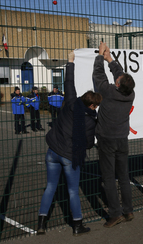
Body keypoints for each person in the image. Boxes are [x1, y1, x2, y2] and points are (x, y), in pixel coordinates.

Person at [37, 51, 102, 236]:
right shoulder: (90, 120)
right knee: (73, 190)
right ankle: (77, 225)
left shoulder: (72, 101)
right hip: (69, 155)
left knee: (50, 186)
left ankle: (41, 223)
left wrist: (70, 62)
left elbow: (69, 82)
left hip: (52, 151)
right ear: (92, 106)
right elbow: (88, 143)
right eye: (96, 106)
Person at [92, 42, 135, 227]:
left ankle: (115, 214)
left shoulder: (107, 91)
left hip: (107, 139)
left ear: (117, 84)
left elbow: (98, 75)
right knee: (124, 176)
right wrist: (110, 58)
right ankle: (128, 210)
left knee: (109, 177)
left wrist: (100, 56)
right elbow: (121, 76)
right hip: (122, 138)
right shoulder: (130, 93)